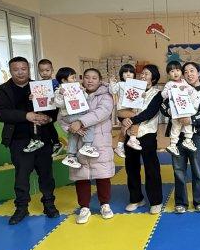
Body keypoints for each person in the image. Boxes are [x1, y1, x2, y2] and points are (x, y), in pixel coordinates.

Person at [0, 56, 59, 225]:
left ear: (29, 69)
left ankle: (49, 204)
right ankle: (21, 208)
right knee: (22, 176)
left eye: (23, 69)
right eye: (16, 69)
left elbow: (54, 108)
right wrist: (26, 116)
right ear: (10, 71)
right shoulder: (4, 90)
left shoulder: (39, 86)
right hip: (19, 140)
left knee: (46, 174)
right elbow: (0, 113)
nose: (20, 72)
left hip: (43, 137)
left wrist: (49, 118)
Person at [59, 68, 115, 224]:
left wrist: (80, 122)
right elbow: (62, 116)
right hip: (78, 141)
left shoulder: (106, 96)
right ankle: (84, 207)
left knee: (103, 175)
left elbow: (102, 112)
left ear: (100, 80)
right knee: (81, 176)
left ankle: (105, 204)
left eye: (94, 78)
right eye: (87, 77)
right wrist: (72, 128)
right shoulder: (72, 93)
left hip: (100, 142)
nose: (90, 80)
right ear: (82, 79)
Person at [160, 61, 200, 213]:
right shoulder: (175, 86)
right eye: (185, 71)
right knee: (178, 169)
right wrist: (172, 112)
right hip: (177, 134)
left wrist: (192, 120)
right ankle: (181, 202)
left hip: (196, 133)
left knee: (198, 169)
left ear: (199, 73)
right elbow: (163, 104)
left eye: (192, 71)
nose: (189, 74)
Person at [123, 64, 164, 215]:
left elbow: (150, 112)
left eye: (146, 74)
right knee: (131, 167)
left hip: (147, 134)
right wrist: (124, 119)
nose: (142, 76)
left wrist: (132, 120)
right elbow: (123, 109)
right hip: (130, 133)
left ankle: (156, 201)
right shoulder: (132, 89)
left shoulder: (157, 94)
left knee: (151, 168)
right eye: (142, 74)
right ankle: (136, 198)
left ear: (153, 78)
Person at [54, 67, 99, 169]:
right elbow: (58, 104)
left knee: (73, 135)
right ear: (64, 80)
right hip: (70, 116)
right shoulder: (59, 91)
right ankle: (87, 145)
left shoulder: (76, 88)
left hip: (76, 114)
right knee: (89, 123)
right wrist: (62, 95)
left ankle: (71, 156)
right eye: (72, 78)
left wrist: (82, 92)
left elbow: (85, 99)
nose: (75, 80)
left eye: (75, 78)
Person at [162, 61, 199, 156]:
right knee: (176, 127)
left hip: (185, 108)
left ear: (181, 72)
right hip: (175, 110)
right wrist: (170, 92)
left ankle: (188, 140)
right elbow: (163, 94)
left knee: (188, 124)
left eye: (178, 70)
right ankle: (172, 145)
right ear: (168, 74)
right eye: (172, 71)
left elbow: (191, 90)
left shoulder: (184, 82)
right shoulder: (169, 84)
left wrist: (190, 91)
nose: (175, 73)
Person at [109, 64, 142, 158]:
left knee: (124, 129)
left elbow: (138, 97)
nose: (128, 74)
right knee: (136, 119)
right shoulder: (120, 84)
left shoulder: (135, 85)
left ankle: (119, 147)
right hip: (122, 110)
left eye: (131, 72)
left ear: (134, 74)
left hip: (130, 110)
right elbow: (113, 91)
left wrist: (142, 95)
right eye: (125, 72)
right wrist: (112, 82)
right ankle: (132, 138)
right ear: (121, 75)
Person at [37, 59, 62, 156]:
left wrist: (60, 92)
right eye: (42, 71)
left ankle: (56, 143)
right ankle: (44, 142)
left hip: (54, 108)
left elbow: (61, 93)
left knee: (48, 123)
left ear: (52, 70)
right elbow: (37, 95)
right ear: (39, 71)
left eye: (47, 70)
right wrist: (32, 96)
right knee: (43, 125)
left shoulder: (56, 82)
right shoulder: (38, 84)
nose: (44, 73)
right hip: (44, 108)